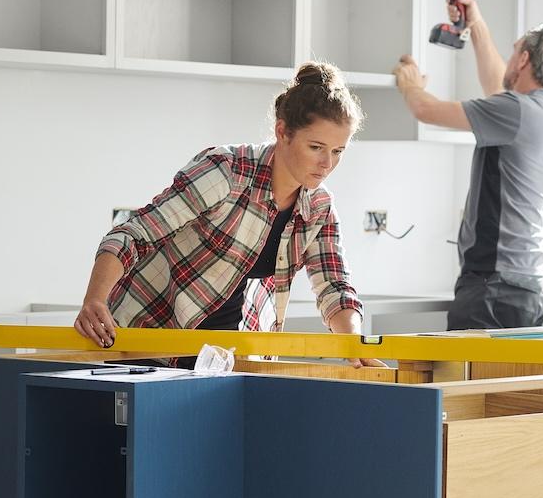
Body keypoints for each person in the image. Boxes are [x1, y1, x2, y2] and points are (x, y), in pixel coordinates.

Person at [74, 62, 384, 368]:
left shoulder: (318, 208)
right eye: (316, 147)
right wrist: (95, 300)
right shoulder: (226, 171)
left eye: (338, 151)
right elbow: (133, 235)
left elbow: (335, 289)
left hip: (222, 359)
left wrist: (354, 346)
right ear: (282, 132)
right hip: (147, 342)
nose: (327, 163)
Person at [393, 0, 543, 330]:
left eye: (514, 51)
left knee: (461, 381)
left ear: (523, 59)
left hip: (495, 287)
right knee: (500, 383)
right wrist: (475, 23)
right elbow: (496, 85)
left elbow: (426, 110)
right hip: (524, 286)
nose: (507, 60)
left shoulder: (514, 111)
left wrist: (410, 84)